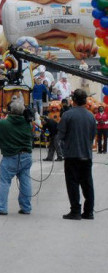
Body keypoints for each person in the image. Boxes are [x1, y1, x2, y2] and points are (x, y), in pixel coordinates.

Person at [0, 98, 34, 216]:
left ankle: (1, 208)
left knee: (4, 182)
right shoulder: (27, 123)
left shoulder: (3, 123)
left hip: (10, 156)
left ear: (10, 111)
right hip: (26, 156)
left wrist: (7, 116)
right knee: (25, 181)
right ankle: (26, 207)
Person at [57, 89, 97, 220]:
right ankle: (89, 211)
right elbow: (92, 136)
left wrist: (62, 150)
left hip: (72, 155)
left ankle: (75, 211)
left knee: (72, 183)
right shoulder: (91, 116)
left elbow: (60, 136)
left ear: (73, 100)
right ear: (85, 101)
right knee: (87, 183)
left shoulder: (67, 115)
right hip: (86, 155)